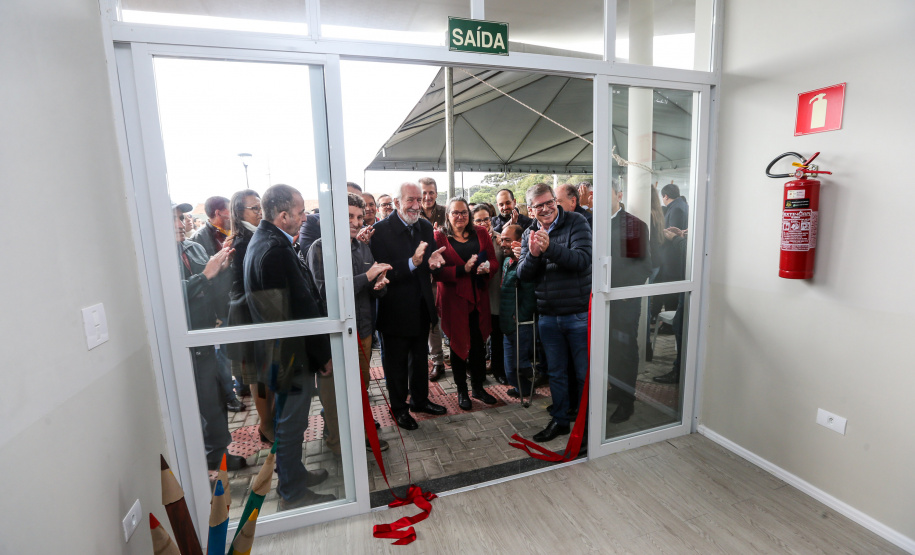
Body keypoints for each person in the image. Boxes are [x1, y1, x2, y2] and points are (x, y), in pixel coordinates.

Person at [244, 184, 335, 509]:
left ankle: (293, 474)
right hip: (289, 356)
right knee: (291, 424)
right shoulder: (274, 249)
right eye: (299, 212)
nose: (304, 217)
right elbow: (297, 308)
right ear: (283, 216)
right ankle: (293, 492)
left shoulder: (264, 241)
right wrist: (322, 354)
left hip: (281, 353)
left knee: (289, 422)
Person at [305, 193, 391, 453]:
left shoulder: (362, 247)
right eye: (348, 217)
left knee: (359, 390)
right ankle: (337, 445)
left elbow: (371, 290)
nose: (355, 222)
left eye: (358, 217)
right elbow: (326, 294)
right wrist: (367, 276)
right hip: (336, 336)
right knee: (333, 397)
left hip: (363, 332)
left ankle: (360, 433)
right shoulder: (320, 249)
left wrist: (379, 286)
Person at [517, 183, 592, 443]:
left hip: (578, 315)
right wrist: (535, 255)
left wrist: (550, 249)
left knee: (583, 374)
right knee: (556, 374)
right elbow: (523, 275)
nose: (547, 208)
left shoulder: (576, 222)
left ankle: (586, 428)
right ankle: (560, 421)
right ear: (530, 209)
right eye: (540, 205)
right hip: (548, 317)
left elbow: (582, 260)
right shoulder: (529, 233)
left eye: (550, 202)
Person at [173, 202, 245, 471]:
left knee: (213, 399)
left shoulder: (194, 248)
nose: (181, 224)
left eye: (181, 218)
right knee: (191, 407)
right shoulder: (155, 258)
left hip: (204, 338)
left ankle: (217, 452)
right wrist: (205, 275)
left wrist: (224, 269)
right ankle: (195, 460)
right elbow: (173, 294)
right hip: (182, 345)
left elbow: (214, 286)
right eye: (175, 220)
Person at [370, 182, 447, 430]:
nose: (416, 205)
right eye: (410, 200)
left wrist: (434, 262)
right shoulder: (379, 231)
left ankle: (420, 401)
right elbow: (382, 271)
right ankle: (399, 409)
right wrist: (413, 263)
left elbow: (431, 259)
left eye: (419, 199)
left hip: (422, 305)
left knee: (420, 358)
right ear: (396, 203)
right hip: (394, 310)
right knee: (396, 365)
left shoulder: (424, 226)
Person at [434, 199, 498, 410]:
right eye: (455, 213)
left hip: (478, 296)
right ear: (448, 215)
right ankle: (462, 390)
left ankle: (478, 387)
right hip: (454, 299)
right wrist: (464, 270)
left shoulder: (480, 232)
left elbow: (493, 261)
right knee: (457, 343)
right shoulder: (439, 237)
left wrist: (487, 267)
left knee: (479, 343)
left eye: (464, 213)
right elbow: (437, 271)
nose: (460, 217)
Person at [224, 189, 276, 442]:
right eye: (254, 208)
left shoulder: (254, 236)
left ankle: (269, 423)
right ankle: (266, 426)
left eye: (260, 208)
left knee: (265, 377)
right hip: (249, 318)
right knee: (260, 379)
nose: (260, 212)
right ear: (238, 212)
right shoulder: (243, 241)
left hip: (256, 316)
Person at [190, 195, 245, 412]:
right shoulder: (199, 239)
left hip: (234, 300)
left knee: (238, 346)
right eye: (229, 210)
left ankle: (242, 386)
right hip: (218, 307)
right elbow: (205, 275)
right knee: (222, 353)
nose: (233, 214)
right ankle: (229, 395)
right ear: (217, 213)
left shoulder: (233, 233)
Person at [607, 179, 652, 423]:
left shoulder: (632, 225)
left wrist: (623, 294)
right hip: (602, 299)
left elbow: (644, 265)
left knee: (624, 350)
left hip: (623, 301)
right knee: (609, 348)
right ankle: (615, 390)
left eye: (608, 192)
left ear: (619, 195)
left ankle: (627, 402)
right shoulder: (594, 222)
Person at [499, 224, 537, 399]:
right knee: (509, 366)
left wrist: (519, 317)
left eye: (508, 240)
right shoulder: (507, 261)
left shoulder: (526, 263)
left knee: (519, 364)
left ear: (520, 241)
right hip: (508, 324)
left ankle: (528, 388)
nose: (503, 244)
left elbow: (530, 297)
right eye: (502, 239)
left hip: (520, 324)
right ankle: (519, 387)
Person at [472, 204, 508, 385]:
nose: (483, 222)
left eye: (486, 219)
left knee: (497, 336)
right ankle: (476, 370)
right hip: (476, 297)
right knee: (477, 338)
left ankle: (498, 369)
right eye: (478, 219)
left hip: (495, 295)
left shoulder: (500, 239)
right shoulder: (469, 239)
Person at [417, 177, 447, 381]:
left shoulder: (447, 212)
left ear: (436, 193)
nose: (427, 197)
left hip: (446, 271)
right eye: (423, 193)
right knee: (431, 319)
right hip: (422, 274)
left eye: (431, 192)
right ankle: (438, 360)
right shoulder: (412, 213)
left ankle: (459, 354)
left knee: (449, 315)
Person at [298, 182, 363, 256]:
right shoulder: (311, 221)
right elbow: (310, 255)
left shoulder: (361, 227)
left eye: (358, 198)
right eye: (349, 197)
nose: (355, 201)